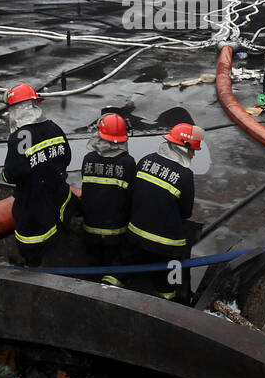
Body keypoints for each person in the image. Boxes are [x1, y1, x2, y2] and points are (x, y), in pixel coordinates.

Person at [125, 123, 202, 300]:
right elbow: (186, 212)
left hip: (133, 236)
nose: (194, 154)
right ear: (183, 148)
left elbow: (133, 194)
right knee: (167, 284)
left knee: (122, 268)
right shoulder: (184, 175)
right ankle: (170, 300)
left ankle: (112, 285)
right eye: (193, 150)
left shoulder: (146, 160)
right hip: (165, 246)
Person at [0, 83, 73, 266]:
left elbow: (12, 174)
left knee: (32, 244)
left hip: (32, 208)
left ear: (15, 110)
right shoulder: (53, 128)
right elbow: (66, 157)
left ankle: (33, 268)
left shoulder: (20, 137)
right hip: (57, 198)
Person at [79, 113, 135, 285]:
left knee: (92, 267)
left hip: (90, 229)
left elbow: (87, 191)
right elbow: (130, 197)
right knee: (113, 268)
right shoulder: (128, 163)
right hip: (116, 233)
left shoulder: (89, 160)